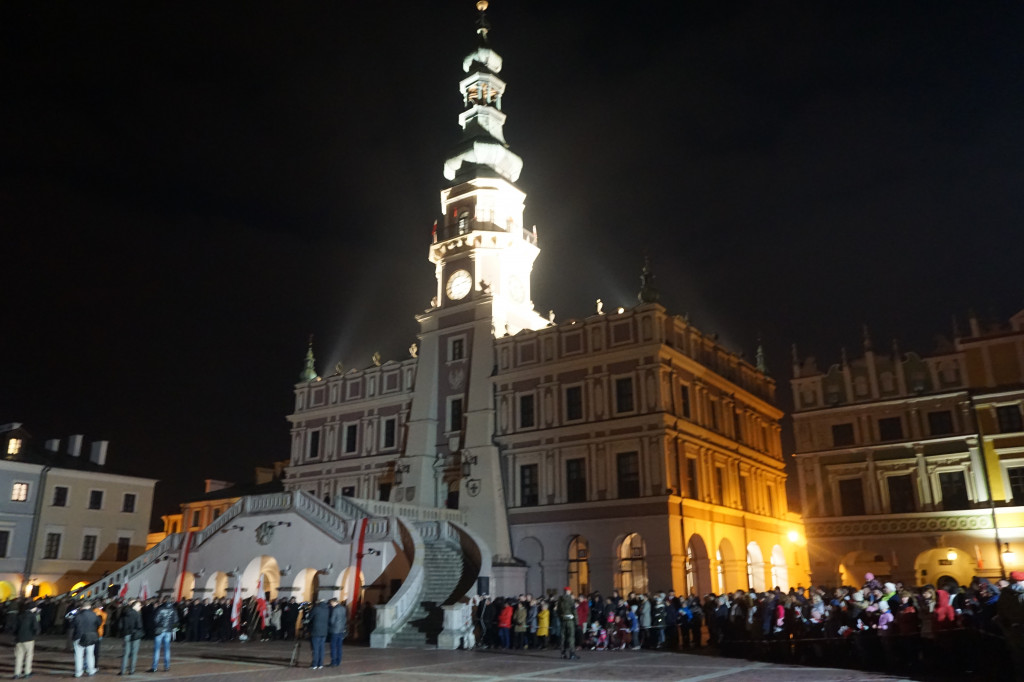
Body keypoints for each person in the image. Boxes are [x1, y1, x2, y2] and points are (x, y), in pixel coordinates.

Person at [73, 602, 101, 678]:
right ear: (90, 606)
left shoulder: (78, 615)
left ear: (81, 607)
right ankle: (91, 670)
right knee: (90, 654)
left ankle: (78, 672)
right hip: (90, 636)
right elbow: (99, 623)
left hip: (79, 636)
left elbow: (73, 625)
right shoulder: (94, 614)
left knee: (79, 655)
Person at [149, 598, 179, 672]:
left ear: (164, 601)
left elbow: (155, 619)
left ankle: (154, 667)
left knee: (157, 649)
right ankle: (167, 666)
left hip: (160, 630)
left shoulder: (160, 609)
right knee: (167, 649)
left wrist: (159, 625)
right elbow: (176, 620)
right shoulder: (173, 609)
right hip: (168, 631)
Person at [14, 600, 41, 679]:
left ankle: (17, 673)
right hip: (29, 638)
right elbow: (36, 627)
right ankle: (27, 672)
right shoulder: (33, 616)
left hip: (19, 639)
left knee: (19, 656)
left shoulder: (20, 615)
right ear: (33, 608)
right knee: (29, 656)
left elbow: (15, 627)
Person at [119, 600, 144, 675]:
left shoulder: (124, 613)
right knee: (134, 653)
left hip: (126, 634)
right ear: (134, 606)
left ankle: (123, 670)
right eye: (139, 605)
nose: (140, 607)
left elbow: (120, 624)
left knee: (126, 653)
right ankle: (131, 670)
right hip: (135, 634)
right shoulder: (137, 614)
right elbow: (139, 625)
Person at [555, 587, 579, 660]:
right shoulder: (570, 599)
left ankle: (563, 653)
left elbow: (558, 611)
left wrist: (561, 618)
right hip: (570, 620)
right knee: (571, 637)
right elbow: (574, 610)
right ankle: (572, 653)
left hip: (563, 620)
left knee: (563, 637)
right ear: (569, 591)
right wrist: (576, 621)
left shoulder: (560, 600)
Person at [308, 599, 329, 669]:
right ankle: (320, 664)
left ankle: (314, 664)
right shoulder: (327, 609)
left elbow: (309, 618)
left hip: (316, 631)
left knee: (315, 648)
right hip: (324, 631)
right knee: (322, 648)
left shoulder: (316, 609)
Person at [328, 598, 347, 667]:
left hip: (335, 630)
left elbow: (332, 620)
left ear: (334, 602)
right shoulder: (343, 608)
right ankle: (338, 661)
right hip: (341, 630)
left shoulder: (335, 609)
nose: (331, 604)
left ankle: (333, 661)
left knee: (333, 646)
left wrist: (330, 624)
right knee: (339, 646)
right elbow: (345, 619)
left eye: (331, 603)